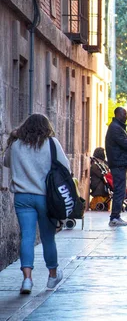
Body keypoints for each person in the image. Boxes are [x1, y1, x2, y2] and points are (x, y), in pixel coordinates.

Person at [2, 114, 68, 294]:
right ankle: (53, 275)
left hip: (22, 198)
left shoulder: (16, 145)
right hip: (45, 197)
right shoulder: (52, 143)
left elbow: (5, 162)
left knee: (27, 237)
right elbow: (66, 167)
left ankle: (27, 280)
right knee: (48, 238)